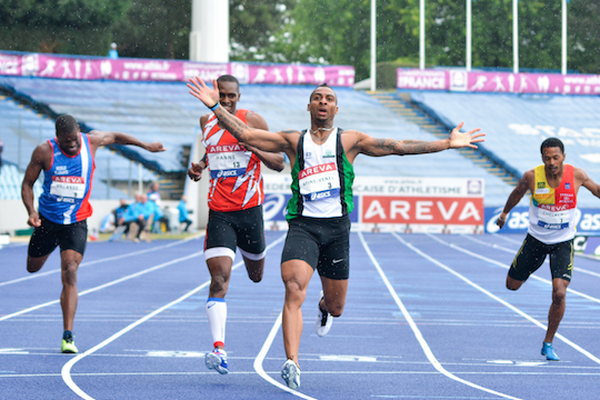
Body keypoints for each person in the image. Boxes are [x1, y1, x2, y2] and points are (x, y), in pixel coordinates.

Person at [187, 77, 485, 389]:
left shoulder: (349, 141)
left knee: (336, 306)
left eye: (328, 98)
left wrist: (447, 144)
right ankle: (292, 362)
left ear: (336, 108)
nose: (323, 102)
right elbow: (246, 134)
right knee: (293, 287)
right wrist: (214, 105)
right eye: (317, 97)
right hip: (303, 226)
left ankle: (323, 308)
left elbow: (398, 147)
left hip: (336, 230)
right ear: (309, 106)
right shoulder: (292, 140)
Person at [21, 114, 164, 353]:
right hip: (47, 221)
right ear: (58, 138)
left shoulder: (92, 141)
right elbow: (28, 183)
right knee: (32, 267)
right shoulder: (44, 151)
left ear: (79, 131)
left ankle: (68, 335)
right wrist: (31, 211)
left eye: (75, 139)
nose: (73, 145)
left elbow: (117, 137)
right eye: (67, 142)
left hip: (76, 222)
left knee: (70, 271)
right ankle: (46, 249)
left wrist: (146, 146)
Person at [187, 74, 285, 375]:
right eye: (222, 95)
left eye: (231, 96)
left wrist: (251, 145)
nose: (226, 101)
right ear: (216, 94)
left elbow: (279, 162)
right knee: (219, 280)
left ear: (238, 97)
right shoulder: (207, 121)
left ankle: (250, 256)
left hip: (250, 212)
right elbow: (212, 149)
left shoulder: (252, 120)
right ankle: (219, 349)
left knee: (256, 276)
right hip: (220, 213)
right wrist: (201, 165)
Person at [496, 137, 600, 361]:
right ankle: (534, 267)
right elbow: (516, 193)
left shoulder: (577, 175)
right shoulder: (532, 176)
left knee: (560, 293)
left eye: (555, 157)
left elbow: (597, 191)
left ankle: (548, 342)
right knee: (511, 286)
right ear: (542, 158)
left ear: (563, 156)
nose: (551, 162)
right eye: (547, 158)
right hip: (535, 241)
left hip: (563, 242)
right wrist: (505, 213)